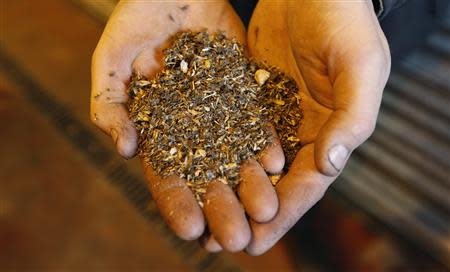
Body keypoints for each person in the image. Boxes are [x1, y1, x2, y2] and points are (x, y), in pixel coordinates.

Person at [90, 0, 446, 255]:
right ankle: (310, 244)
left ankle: (325, 235)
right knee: (279, 183)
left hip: (330, 23)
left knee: (329, 110)